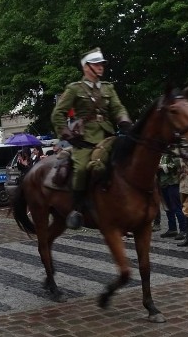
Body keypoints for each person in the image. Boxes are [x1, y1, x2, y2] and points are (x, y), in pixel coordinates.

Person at [50, 47, 132, 230]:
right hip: (85, 139)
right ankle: (77, 209)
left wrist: (125, 122)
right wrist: (68, 136)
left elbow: (118, 108)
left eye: (102, 63)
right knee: (80, 169)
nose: (101, 67)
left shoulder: (108, 88)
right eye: (96, 64)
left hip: (108, 136)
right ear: (86, 67)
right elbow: (58, 114)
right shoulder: (74, 89)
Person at [157, 150, 185, 239]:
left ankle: (183, 230)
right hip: (163, 182)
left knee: (177, 207)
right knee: (168, 208)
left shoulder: (174, 151)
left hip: (173, 183)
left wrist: (161, 167)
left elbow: (177, 164)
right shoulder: (162, 151)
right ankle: (172, 229)